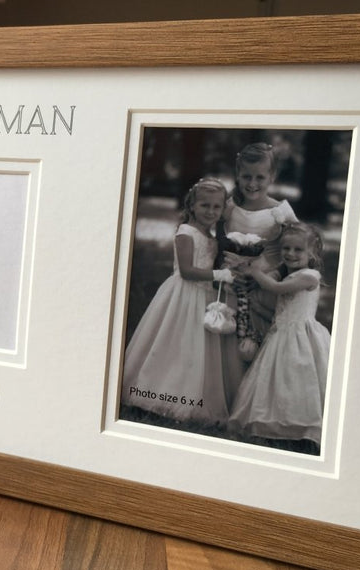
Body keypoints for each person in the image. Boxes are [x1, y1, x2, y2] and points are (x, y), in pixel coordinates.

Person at [121, 178, 239, 426]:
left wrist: (224, 277)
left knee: (195, 351)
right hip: (183, 296)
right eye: (205, 205)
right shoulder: (186, 232)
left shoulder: (212, 236)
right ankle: (156, 393)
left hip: (203, 296)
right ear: (192, 205)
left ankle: (189, 396)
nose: (210, 211)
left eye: (216, 207)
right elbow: (187, 271)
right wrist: (219, 275)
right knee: (175, 345)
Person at [228, 223, 330, 451]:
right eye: (286, 248)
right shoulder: (291, 275)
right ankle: (277, 423)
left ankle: (302, 426)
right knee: (278, 381)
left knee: (297, 380)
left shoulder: (310, 276)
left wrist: (254, 271)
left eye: (298, 250)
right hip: (281, 334)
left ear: (312, 253)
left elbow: (275, 288)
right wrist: (255, 305)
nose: (290, 254)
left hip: (300, 338)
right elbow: (282, 312)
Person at [218, 143, 298, 363]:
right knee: (230, 339)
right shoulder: (229, 207)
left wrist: (269, 276)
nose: (252, 184)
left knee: (259, 342)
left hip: (264, 285)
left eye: (260, 177)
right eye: (246, 176)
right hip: (230, 282)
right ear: (238, 175)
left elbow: (299, 250)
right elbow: (217, 242)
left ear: (272, 176)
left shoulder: (280, 211)